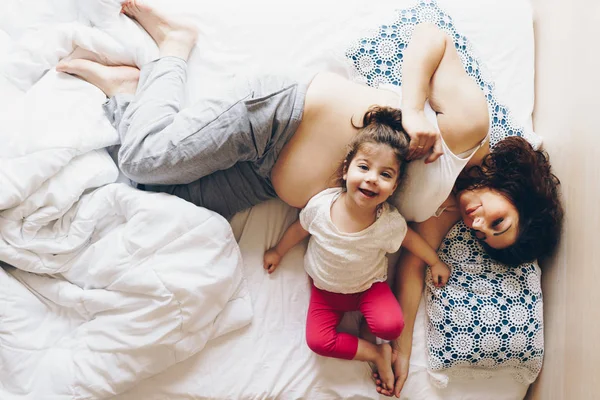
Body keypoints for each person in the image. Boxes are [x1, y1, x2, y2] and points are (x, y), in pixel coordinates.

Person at [56, 0, 563, 396]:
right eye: (498, 222)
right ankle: (173, 48)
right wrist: (412, 108)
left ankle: (129, 92)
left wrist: (400, 350)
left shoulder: (444, 213)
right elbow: (431, 38)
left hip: (263, 180)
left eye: (485, 237)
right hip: (276, 116)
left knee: (147, 192)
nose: (478, 226)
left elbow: (409, 271)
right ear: (514, 191)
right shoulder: (469, 130)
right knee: (142, 161)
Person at [262, 111, 450, 391]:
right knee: (318, 342)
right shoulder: (321, 207)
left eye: (385, 175)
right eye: (364, 167)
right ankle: (376, 352)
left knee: (391, 327)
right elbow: (299, 230)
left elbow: (411, 240)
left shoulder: (387, 222)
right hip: (325, 291)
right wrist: (278, 251)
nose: (373, 179)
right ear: (346, 170)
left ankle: (378, 338)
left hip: (368, 288)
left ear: (394, 186)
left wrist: (434, 262)